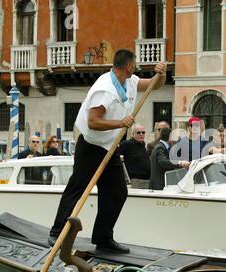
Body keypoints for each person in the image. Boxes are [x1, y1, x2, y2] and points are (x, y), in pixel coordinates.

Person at [48, 48, 167, 254]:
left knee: (117, 192)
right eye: (135, 63)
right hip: (91, 146)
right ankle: (57, 232)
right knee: (77, 188)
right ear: (129, 66)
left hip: (109, 147)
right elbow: (93, 122)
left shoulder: (129, 81)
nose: (136, 66)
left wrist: (162, 74)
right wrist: (121, 123)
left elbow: (153, 85)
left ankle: (103, 239)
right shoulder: (105, 88)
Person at [119, 123, 151, 188]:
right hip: (136, 180)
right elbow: (116, 151)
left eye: (143, 132)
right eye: (138, 133)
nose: (141, 134)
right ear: (133, 134)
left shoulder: (142, 145)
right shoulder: (127, 144)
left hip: (147, 180)